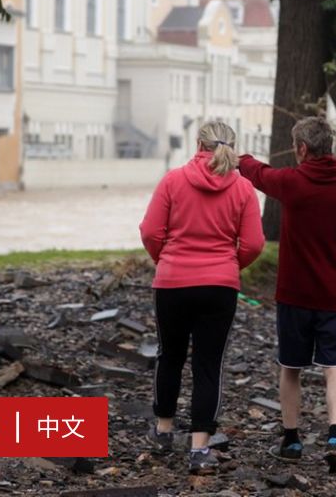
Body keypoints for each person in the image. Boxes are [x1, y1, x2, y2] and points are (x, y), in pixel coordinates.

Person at [238, 116, 336, 473]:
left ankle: (292, 440)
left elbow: (260, 175)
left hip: (295, 295)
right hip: (335, 296)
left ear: (302, 148)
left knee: (291, 367)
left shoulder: (294, 183)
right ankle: (335, 436)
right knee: (335, 367)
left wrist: (239, 159)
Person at [139, 121, 266, 475]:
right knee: (208, 365)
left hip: (172, 282)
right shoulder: (243, 189)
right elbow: (255, 243)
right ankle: (199, 449)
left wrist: (164, 260)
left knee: (170, 355)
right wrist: (228, 266)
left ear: (198, 143)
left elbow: (150, 231)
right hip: (220, 286)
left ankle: (163, 432)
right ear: (232, 146)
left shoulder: (172, 180)